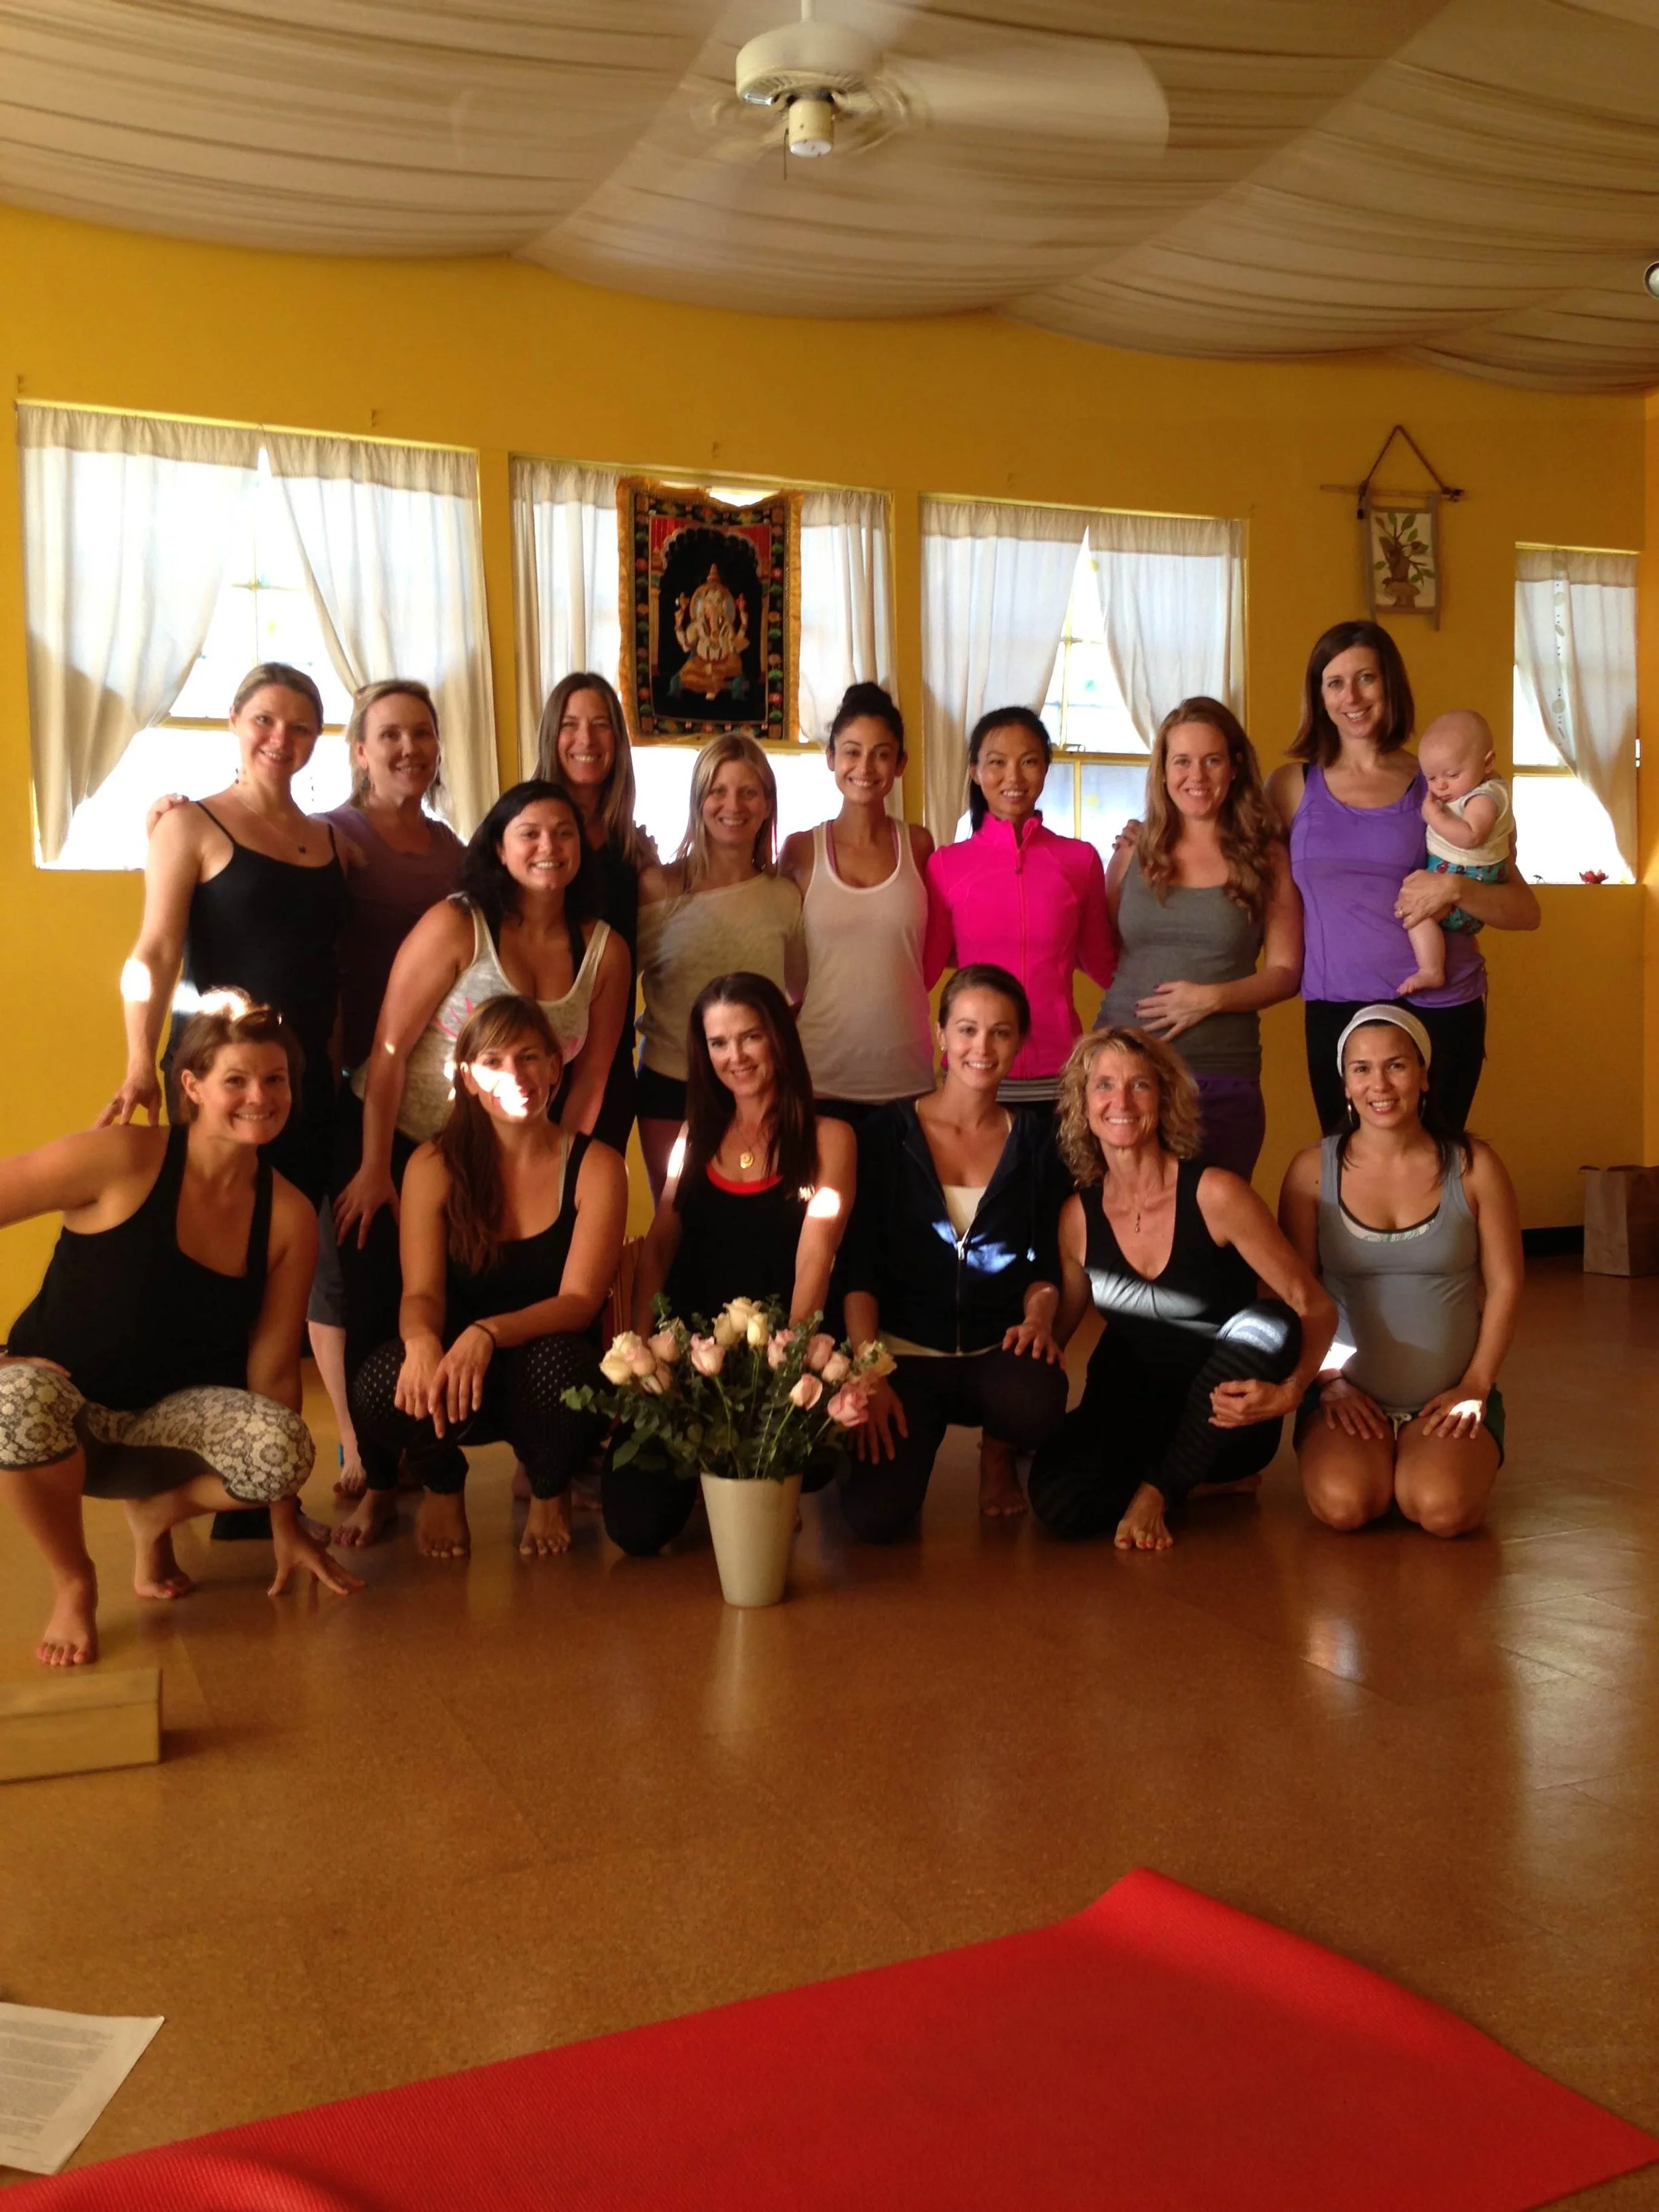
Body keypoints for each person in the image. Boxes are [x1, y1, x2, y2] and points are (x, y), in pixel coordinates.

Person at [1, 996, 361, 1665]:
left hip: (167, 1426)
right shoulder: (120, 1156)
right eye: (236, 1080)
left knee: (283, 1449)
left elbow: (273, 1371)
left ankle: (156, 1512)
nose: (260, 1097)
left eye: (276, 1079)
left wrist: (284, 1522)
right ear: (192, 1086)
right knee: (12, 1400)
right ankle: (74, 1582)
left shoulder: (286, 1215)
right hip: (64, 1406)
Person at [330, 780, 628, 1469]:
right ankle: (386, 1479)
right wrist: (375, 1165)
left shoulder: (603, 950)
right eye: (530, 833)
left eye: (563, 833)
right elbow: (389, 1049)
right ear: (498, 846)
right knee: (386, 1315)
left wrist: (558, 1164)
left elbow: (591, 1078)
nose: (548, 847)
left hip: (522, 1152)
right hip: (403, 1140)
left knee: (531, 1323)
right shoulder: (457, 923)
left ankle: (541, 1464)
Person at [1029, 1025, 1335, 1552]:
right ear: (1084, 1105)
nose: (1122, 1101)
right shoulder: (1077, 1216)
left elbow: (1316, 1306)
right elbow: (1056, 1333)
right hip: (1136, 1415)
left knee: (1269, 1325)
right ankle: (1189, 1482)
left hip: (1227, 1419)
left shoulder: (1216, 1193)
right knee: (1057, 1503)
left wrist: (1291, 1391)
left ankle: (1161, 1489)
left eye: (1139, 1085)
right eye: (1104, 1085)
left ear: (1164, 1098)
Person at [342, 997, 626, 1559]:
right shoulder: (433, 1164)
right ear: (468, 1078)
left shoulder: (597, 1166)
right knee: (379, 1383)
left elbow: (580, 1300)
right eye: (493, 1061)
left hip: (545, 1374)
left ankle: (549, 1488)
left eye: (529, 1057)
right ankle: (442, 1485)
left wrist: (488, 1332)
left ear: (555, 1067)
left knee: (564, 1367)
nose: (514, 1075)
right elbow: (421, 1293)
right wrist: (422, 1340)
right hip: (455, 1381)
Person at [603, 974, 855, 1558]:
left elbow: (815, 1257)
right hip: (692, 1356)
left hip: (776, 1354)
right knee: (635, 1525)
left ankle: (729, 1466)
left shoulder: (830, 1137)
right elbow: (659, 1247)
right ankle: (703, 1466)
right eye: (719, 1043)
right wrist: (642, 1354)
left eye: (750, 1037)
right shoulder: (694, 1134)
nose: (735, 1056)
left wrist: (785, 1372)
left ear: (780, 1039)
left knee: (797, 1470)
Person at [1266, 622, 1539, 1134]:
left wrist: (1457, 888)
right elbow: (1235, 861)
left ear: (1390, 684)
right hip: (1335, 1010)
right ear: (1319, 695)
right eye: (1335, 682)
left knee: (1439, 1166)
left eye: (1366, 678)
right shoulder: (1290, 787)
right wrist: (1147, 838)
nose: (1352, 696)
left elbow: (1526, 911)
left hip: (1440, 1008)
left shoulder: (1441, 788)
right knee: (1349, 1165)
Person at [104, 662, 348, 1205]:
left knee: (292, 1230)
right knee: (212, 1225)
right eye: (265, 720)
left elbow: (330, 967)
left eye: (300, 728)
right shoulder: (188, 824)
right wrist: (139, 1063)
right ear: (234, 719)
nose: (281, 739)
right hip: (217, 1076)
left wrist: (331, 1073)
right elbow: (155, 953)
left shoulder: (333, 841)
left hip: (302, 1082)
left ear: (316, 738)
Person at [840, 965, 1070, 1536]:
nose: (982, 1048)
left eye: (1000, 1032)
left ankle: (999, 1449)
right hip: (902, 1358)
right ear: (941, 1034)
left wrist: (1039, 1317)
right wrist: (870, 1371)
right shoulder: (885, 1135)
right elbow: (859, 1269)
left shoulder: (1038, 1143)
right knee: (874, 1520)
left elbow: (1045, 1265)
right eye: (967, 1029)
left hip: (995, 1352)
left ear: (1020, 1042)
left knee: (1037, 1401)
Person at [1278, 1005, 1522, 1538]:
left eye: (1396, 1065)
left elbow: (1506, 1285)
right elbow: (1296, 1292)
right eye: (1362, 1069)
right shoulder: (1309, 1172)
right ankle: (1380, 1460)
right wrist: (1328, 1381)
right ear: (1345, 1084)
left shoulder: (1474, 1165)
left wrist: (1476, 1384)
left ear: (1423, 1075)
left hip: (1449, 1394)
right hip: (1345, 1395)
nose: (1380, 1084)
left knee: (1443, 1510)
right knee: (1345, 1505)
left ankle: (1421, 1460)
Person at [310, 680, 465, 1499]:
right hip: (346, 1085)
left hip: (426, 1094)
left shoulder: (452, 850)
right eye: (392, 735)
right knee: (344, 1274)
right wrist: (169, 811)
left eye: (423, 734)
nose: (410, 749)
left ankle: (403, 1439)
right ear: (361, 750)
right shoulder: (331, 835)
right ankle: (355, 1449)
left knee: (407, 1273)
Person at [1101, 698, 1302, 1182]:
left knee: (1213, 1215)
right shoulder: (1133, 850)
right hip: (1121, 1072)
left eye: (1212, 760)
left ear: (1235, 767)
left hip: (1219, 1075)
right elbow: (1107, 951)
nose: (1197, 775)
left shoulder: (1267, 857)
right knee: (1118, 1216)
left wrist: (1210, 999)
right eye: (1182, 761)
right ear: (1163, 771)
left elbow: (1286, 973)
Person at [635, 736, 804, 1197]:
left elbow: (797, 994)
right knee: (676, 1217)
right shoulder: (657, 888)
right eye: (719, 791)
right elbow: (611, 981)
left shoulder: (785, 897)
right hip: (672, 1087)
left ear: (767, 804)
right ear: (699, 801)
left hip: (758, 1089)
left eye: (749, 792)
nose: (734, 805)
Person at [923, 707, 1115, 1107]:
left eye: (1028, 762)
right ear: (975, 771)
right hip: (974, 1073)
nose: (1013, 777)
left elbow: (1106, 967)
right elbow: (923, 971)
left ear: (1045, 769)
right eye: (997, 763)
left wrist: (1137, 863)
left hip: (1061, 1077)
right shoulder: (946, 865)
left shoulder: (1079, 861)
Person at [780, 683, 935, 1126]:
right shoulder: (800, 850)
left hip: (906, 1075)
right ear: (831, 757)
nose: (865, 767)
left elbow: (947, 938)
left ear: (900, 764)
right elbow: (773, 945)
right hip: (819, 1076)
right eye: (851, 752)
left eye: (881, 754)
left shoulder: (919, 845)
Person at [533, 671, 659, 1153]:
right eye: (571, 724)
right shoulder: (522, 831)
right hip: (527, 1063)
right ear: (553, 735)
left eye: (601, 724)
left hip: (610, 1067)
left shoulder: (632, 849)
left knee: (595, 1192)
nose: (586, 739)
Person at [1399, 711, 1514, 996]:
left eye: (1452, 775)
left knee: (1418, 915)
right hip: (1464, 872)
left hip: (1470, 874)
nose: (1441, 786)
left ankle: (1432, 970)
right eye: (1431, 777)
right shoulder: (1471, 790)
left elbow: (1471, 836)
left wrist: (1434, 816)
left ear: (1488, 763)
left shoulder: (1483, 797)